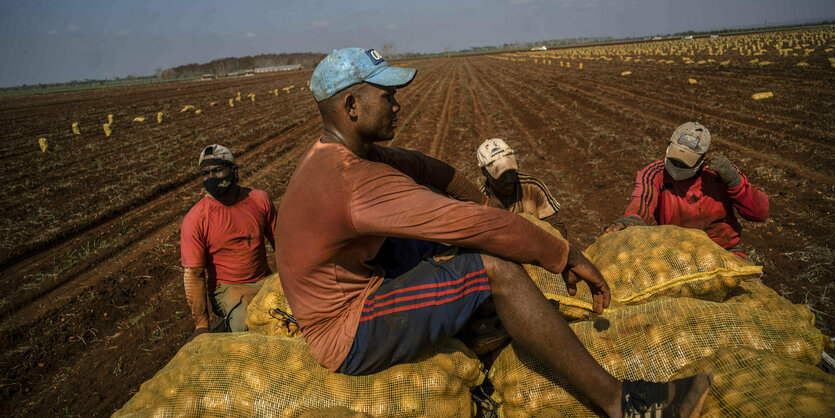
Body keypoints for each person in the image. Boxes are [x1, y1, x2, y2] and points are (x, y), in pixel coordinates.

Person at [276, 47, 710, 417]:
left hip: (360, 274)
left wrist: (482, 203)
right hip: (346, 329)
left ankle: (473, 316)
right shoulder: (353, 179)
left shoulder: (349, 154)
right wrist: (564, 254)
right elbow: (474, 225)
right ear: (351, 106)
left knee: (448, 242)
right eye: (387, 96)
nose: (397, 105)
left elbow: (430, 169)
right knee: (492, 265)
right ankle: (621, 403)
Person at [604, 122, 769, 258]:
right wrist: (632, 219)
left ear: (703, 158)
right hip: (675, 252)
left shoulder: (719, 173)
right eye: (675, 160)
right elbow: (641, 201)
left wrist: (735, 182)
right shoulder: (654, 174)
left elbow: (759, 214)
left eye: (685, 163)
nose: (677, 167)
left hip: (722, 250)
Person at [180, 144, 277, 340]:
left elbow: (282, 243)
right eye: (205, 173)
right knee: (248, 326)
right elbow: (194, 273)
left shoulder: (259, 200)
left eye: (217, 170)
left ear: (234, 171)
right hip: (228, 288)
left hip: (264, 279)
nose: (211, 178)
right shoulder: (197, 218)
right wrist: (201, 324)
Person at [477, 137, 568, 238]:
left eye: (511, 172)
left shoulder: (532, 186)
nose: (508, 180)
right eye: (501, 176)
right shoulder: (480, 203)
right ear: (485, 172)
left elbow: (554, 224)